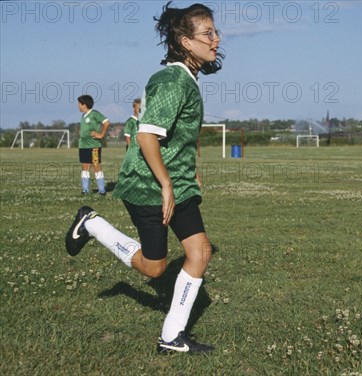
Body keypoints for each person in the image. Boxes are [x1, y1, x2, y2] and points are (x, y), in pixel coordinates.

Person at [65, 2, 224, 354]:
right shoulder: (171, 79)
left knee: (200, 252)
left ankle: (171, 338)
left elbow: (175, 135)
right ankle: (91, 223)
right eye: (208, 33)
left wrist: (187, 171)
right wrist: (167, 185)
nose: (216, 39)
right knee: (154, 270)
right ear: (185, 41)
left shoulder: (187, 78)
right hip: (149, 186)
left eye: (216, 31)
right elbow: (146, 136)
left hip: (176, 184)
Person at [77, 95, 110, 195]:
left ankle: (102, 190)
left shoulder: (94, 114)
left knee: (96, 165)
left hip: (94, 146)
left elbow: (106, 122)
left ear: (84, 104)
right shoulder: (83, 115)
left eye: (79, 104)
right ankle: (85, 190)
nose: (78, 106)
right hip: (83, 146)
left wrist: (101, 134)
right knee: (85, 166)